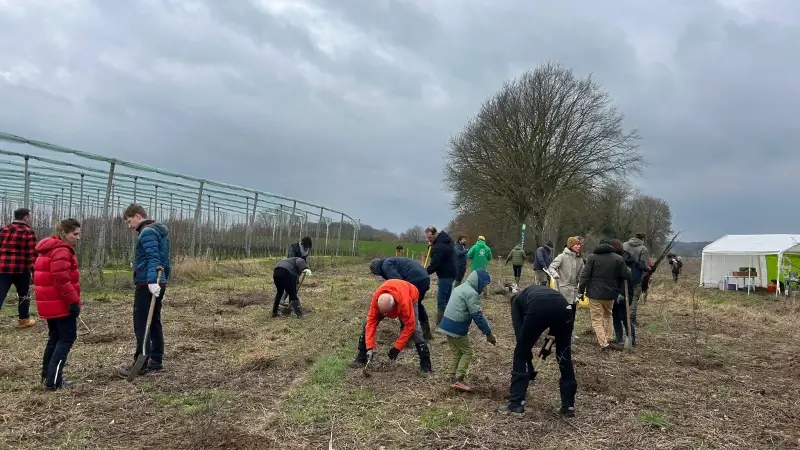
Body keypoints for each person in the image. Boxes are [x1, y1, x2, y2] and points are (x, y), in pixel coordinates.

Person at [501, 285, 577, 417]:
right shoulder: (535, 292)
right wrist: (546, 348)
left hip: (540, 307)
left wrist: (528, 364)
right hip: (565, 308)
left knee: (519, 353)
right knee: (564, 355)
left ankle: (516, 403)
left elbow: (522, 342)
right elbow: (554, 329)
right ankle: (568, 406)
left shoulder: (516, 302)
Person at [118, 204, 172, 378]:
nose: (129, 226)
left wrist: (150, 281)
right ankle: (156, 360)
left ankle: (140, 364)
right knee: (154, 320)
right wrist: (163, 281)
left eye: (129, 221)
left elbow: (153, 258)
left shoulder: (147, 232)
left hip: (147, 283)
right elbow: (165, 260)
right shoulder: (159, 231)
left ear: (138, 216)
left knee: (141, 322)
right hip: (158, 282)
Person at [34, 219, 82, 390]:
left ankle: (47, 375)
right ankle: (54, 381)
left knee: (55, 338)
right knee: (67, 338)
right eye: (74, 234)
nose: (77, 237)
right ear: (64, 233)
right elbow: (62, 280)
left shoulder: (48, 249)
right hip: (61, 304)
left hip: (50, 304)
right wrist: (73, 302)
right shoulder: (61, 250)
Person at [348, 279, 432, 374]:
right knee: (367, 324)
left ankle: (426, 364)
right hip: (390, 299)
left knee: (415, 330)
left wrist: (397, 347)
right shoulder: (377, 299)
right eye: (382, 312)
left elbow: (410, 326)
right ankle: (361, 357)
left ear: (394, 306)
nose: (384, 315)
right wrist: (370, 347)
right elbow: (371, 322)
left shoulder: (405, 303)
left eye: (386, 313)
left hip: (410, 294)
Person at [436, 269, 496, 391]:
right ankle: (458, 380)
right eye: (484, 285)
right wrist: (488, 333)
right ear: (478, 282)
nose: (484, 288)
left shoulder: (460, 287)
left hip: (446, 324)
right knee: (467, 352)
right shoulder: (471, 293)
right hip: (456, 326)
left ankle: (451, 376)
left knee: (457, 352)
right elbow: (477, 316)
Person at [577, 239, 630, 351]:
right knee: (608, 316)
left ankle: (603, 343)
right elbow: (626, 275)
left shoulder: (592, 257)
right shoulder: (618, 258)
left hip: (595, 294)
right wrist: (628, 270)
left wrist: (580, 292)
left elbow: (584, 277)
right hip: (610, 295)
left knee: (596, 319)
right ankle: (609, 339)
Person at [369, 257, 433, 339]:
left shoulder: (386, 265)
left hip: (416, 280)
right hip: (424, 278)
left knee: (402, 305)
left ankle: (407, 336)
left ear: (376, 270)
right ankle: (426, 333)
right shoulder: (390, 261)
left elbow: (398, 282)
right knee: (417, 304)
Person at [0, 208, 38, 328]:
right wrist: (34, 271)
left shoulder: (3, 230)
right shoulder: (28, 232)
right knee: (24, 295)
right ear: (26, 217)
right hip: (21, 269)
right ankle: (23, 320)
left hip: (2, 269)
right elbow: (31, 255)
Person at [424, 226, 457, 326]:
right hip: (452, 272)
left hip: (445, 274)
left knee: (441, 300)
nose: (428, 240)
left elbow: (435, 264)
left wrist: (423, 272)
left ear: (435, 234)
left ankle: (440, 324)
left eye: (430, 237)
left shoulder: (438, 247)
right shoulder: (446, 240)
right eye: (427, 238)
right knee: (447, 298)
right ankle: (449, 320)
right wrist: (431, 247)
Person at [611, 239, 637, 346]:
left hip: (625, 292)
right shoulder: (616, 259)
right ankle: (619, 338)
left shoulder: (627, 260)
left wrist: (622, 293)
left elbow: (628, 280)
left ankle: (632, 339)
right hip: (615, 291)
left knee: (624, 316)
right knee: (615, 316)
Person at [547, 237, 585, 310]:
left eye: (579, 245)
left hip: (573, 293)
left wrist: (582, 283)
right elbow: (551, 267)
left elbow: (581, 275)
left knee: (571, 314)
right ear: (571, 245)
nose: (579, 246)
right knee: (563, 314)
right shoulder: (562, 257)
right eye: (576, 244)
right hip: (562, 292)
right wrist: (555, 274)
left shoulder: (580, 260)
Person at [622, 233, 650, 326]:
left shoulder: (624, 245)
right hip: (635, 276)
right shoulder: (643, 249)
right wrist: (650, 269)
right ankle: (631, 318)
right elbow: (643, 266)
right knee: (634, 297)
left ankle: (621, 316)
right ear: (643, 239)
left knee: (621, 295)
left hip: (622, 275)